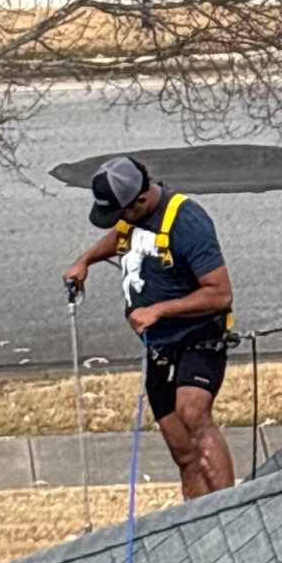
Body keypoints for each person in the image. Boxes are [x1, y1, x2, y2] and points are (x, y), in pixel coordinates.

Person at [64, 155, 236, 500]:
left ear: (140, 199)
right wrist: (85, 261)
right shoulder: (134, 218)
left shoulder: (187, 220)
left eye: (120, 212)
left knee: (193, 414)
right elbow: (122, 235)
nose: (118, 221)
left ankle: (230, 506)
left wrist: (158, 310)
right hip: (159, 348)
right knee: (182, 451)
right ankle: (196, 520)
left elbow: (220, 294)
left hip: (198, 339)